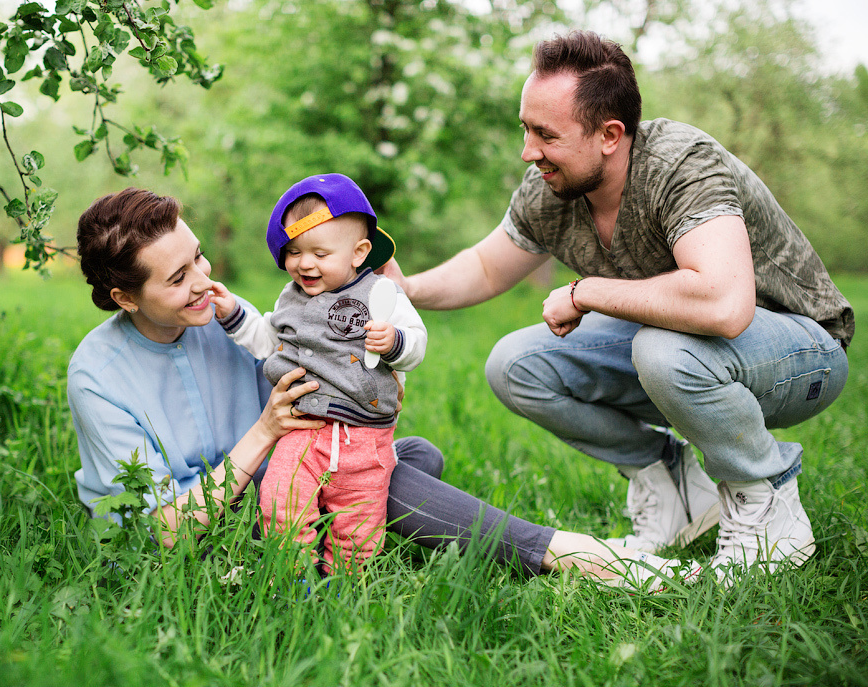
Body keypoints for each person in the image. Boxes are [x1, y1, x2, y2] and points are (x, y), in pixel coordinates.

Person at [379, 31, 853, 582]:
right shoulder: (550, 188)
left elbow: (724, 305)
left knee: (664, 348)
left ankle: (768, 505)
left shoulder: (681, 164)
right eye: (524, 129)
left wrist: (588, 292)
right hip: (690, 352)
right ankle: (670, 485)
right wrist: (407, 288)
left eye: (545, 134)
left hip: (804, 351)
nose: (528, 151)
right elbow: (486, 267)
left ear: (609, 135)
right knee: (515, 364)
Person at [66, 185, 695, 590]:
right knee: (392, 479)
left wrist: (364, 388)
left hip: (293, 480)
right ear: (124, 297)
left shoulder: (218, 319)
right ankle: (571, 556)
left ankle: (392, 513)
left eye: (199, 258)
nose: (204, 280)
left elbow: (306, 377)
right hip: (213, 520)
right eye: (179, 277)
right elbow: (160, 533)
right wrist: (264, 432)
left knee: (406, 457)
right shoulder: (99, 378)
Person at [210, 173, 426, 572]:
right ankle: (294, 578)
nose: (304, 263)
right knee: (280, 504)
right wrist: (234, 316)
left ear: (359, 253)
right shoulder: (290, 298)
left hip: (364, 435)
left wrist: (395, 341)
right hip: (303, 429)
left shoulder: (381, 295)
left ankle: (344, 584)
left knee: (358, 526)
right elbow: (267, 340)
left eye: (320, 254)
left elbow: (416, 343)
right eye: (293, 252)